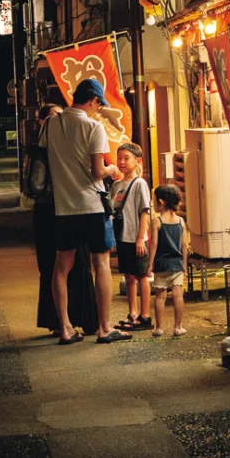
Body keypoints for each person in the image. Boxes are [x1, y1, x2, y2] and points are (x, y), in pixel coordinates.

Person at [46, 77, 131, 344]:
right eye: (98, 104)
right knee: (101, 263)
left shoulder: (51, 124)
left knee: (61, 267)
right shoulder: (94, 127)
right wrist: (111, 169)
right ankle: (104, 328)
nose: (98, 109)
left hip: (63, 206)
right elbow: (97, 171)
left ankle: (66, 328)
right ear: (92, 100)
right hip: (92, 206)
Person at [32, 105, 98, 337]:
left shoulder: (66, 144)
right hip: (51, 209)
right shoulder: (44, 148)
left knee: (79, 263)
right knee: (52, 266)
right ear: (42, 123)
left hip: (68, 207)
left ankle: (84, 320)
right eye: (52, 118)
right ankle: (61, 322)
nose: (59, 122)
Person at [110, 143, 152, 331]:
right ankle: (132, 313)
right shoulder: (116, 185)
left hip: (136, 238)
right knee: (128, 276)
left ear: (138, 161)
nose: (121, 162)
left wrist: (141, 238)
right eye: (119, 158)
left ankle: (145, 316)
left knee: (141, 276)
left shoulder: (139, 184)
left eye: (126, 158)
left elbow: (145, 212)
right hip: (122, 237)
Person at [147, 184, 187, 337]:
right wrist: (184, 263)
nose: (154, 204)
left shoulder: (156, 221)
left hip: (161, 264)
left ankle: (159, 328)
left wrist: (150, 264)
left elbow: (153, 244)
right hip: (177, 264)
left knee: (160, 296)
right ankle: (178, 327)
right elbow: (184, 244)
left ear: (162, 202)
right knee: (178, 295)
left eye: (155, 201)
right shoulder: (181, 221)